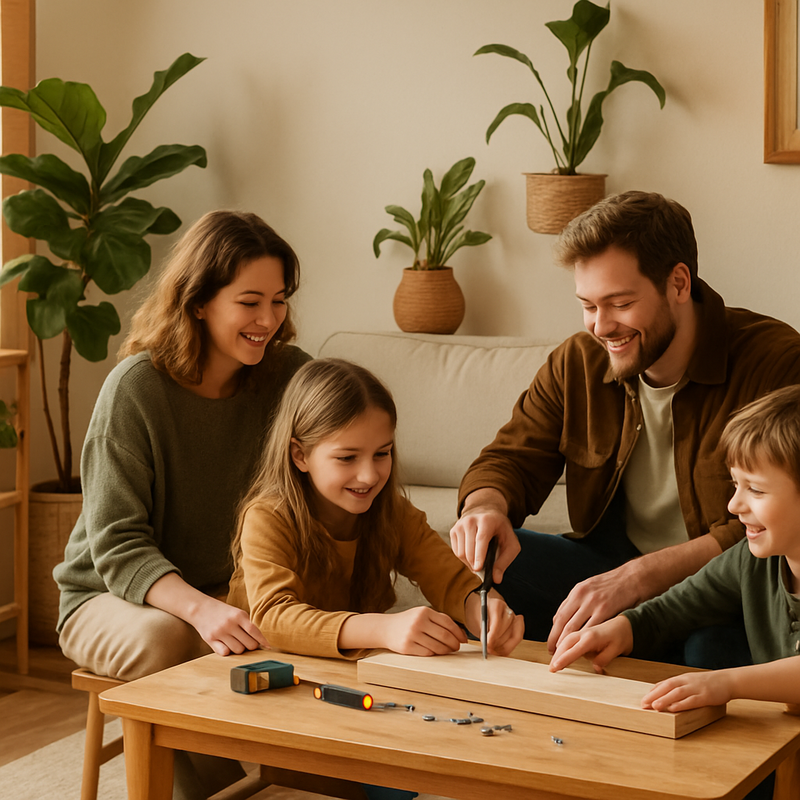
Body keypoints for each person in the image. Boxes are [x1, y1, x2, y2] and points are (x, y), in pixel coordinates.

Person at [450, 191, 800, 665]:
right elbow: (511, 459)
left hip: (724, 591)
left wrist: (640, 578)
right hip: (609, 567)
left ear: (679, 283)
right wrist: (485, 508)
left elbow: (772, 526)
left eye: (619, 303)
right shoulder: (578, 361)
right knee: (485, 568)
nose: (601, 326)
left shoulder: (776, 362)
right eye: (588, 305)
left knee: (710, 652)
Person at [53, 210, 311, 799]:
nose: (269, 320)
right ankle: (246, 790)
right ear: (199, 302)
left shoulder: (290, 377)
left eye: (279, 300)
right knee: (171, 641)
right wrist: (202, 610)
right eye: (250, 302)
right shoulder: (136, 389)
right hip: (110, 597)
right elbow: (117, 549)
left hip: (225, 593)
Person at [549, 384, 800, 800]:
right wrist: (620, 629)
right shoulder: (749, 560)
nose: (735, 506)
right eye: (735, 485)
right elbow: (676, 607)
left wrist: (724, 684)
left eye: (755, 489)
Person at [227, 357, 524, 660]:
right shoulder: (268, 516)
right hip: (260, 666)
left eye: (382, 453)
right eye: (347, 458)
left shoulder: (394, 513)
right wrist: (384, 629)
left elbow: (450, 579)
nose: (369, 476)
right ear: (300, 455)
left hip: (351, 673)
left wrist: (484, 611)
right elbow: (274, 618)